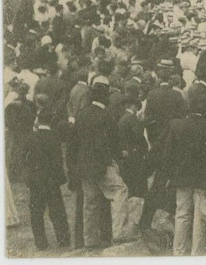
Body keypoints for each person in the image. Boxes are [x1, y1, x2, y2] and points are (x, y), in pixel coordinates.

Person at [159, 92, 206, 256]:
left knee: (181, 213)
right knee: (199, 215)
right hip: (203, 179)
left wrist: (168, 176)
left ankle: (178, 252)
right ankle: (197, 252)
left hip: (181, 176)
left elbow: (168, 154)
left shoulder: (177, 125)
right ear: (204, 109)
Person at [71, 76, 130, 248]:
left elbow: (73, 142)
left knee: (90, 203)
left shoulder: (82, 114)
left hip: (84, 165)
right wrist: (120, 154)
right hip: (101, 165)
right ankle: (119, 232)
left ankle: (89, 241)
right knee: (120, 191)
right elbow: (114, 142)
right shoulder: (106, 116)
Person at [24, 109, 71, 250]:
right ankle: (63, 240)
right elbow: (57, 161)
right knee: (57, 211)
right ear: (51, 121)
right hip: (51, 181)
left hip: (35, 180)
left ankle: (41, 243)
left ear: (38, 121)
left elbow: (25, 160)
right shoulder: (54, 138)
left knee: (36, 212)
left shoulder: (30, 137)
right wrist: (60, 179)